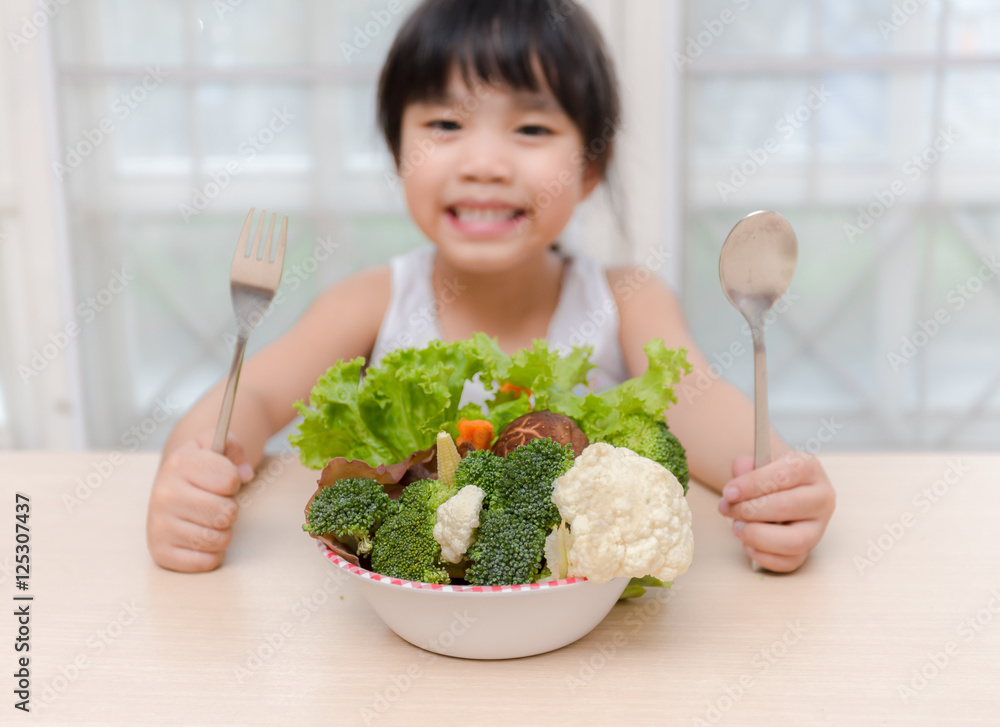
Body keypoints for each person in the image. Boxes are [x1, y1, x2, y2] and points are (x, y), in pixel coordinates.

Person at [147, 0, 835, 575]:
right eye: (445, 124)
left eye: (531, 128)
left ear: (592, 167)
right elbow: (254, 395)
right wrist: (192, 472)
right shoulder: (370, 300)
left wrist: (780, 489)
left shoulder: (628, 298)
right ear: (397, 152)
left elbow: (708, 411)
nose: (483, 162)